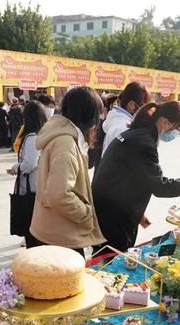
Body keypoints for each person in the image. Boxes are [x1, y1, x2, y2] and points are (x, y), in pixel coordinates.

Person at [93, 101, 180, 252]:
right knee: (111, 263)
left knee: (104, 258)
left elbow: (130, 179)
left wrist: (139, 216)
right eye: (174, 128)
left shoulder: (135, 134)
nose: (173, 133)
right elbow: (158, 186)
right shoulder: (144, 143)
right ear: (165, 122)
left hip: (109, 209)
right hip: (114, 216)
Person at [29, 86, 105, 256]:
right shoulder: (66, 144)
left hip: (51, 229)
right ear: (89, 116)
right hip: (60, 237)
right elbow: (59, 195)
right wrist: (86, 213)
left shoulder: (63, 135)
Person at [7, 101, 47, 244]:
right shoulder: (43, 135)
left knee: (32, 231)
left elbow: (29, 164)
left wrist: (15, 168)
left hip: (32, 190)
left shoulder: (32, 137)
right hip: (39, 187)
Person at [102, 82, 151, 156]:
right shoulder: (123, 128)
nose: (146, 112)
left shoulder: (117, 121)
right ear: (131, 105)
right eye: (144, 108)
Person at [89, 94, 117, 170]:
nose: (115, 110)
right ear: (105, 109)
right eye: (113, 107)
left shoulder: (114, 124)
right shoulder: (100, 124)